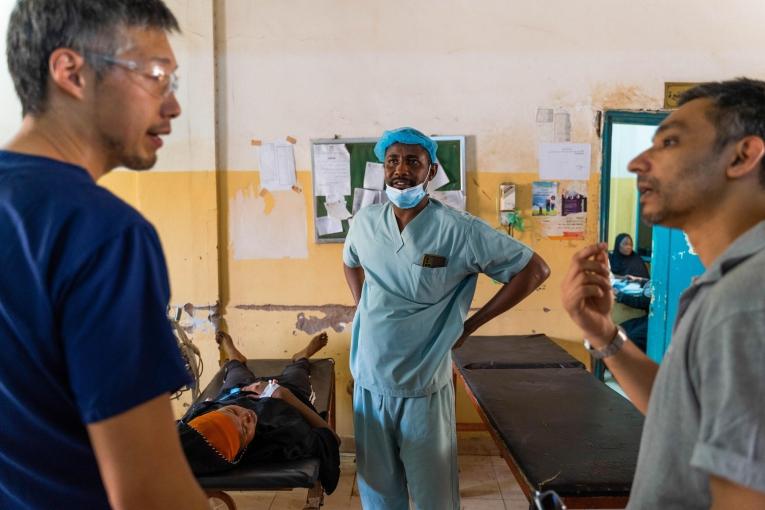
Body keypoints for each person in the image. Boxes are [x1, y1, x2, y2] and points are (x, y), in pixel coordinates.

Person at [0, 1, 208, 508]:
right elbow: (149, 493)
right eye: (156, 76)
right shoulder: (103, 233)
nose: (173, 106)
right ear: (71, 72)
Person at [561, 78, 765, 509]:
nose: (636, 163)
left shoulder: (747, 301)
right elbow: (684, 415)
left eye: (669, 142)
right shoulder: (730, 285)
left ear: (742, 155)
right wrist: (602, 333)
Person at [343, 127, 550, 509]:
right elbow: (350, 262)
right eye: (393, 160)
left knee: (433, 498)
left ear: (431, 169)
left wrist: (470, 326)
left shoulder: (459, 231)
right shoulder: (365, 223)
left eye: (412, 161)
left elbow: (534, 270)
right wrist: (362, 307)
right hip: (369, 382)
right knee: (378, 495)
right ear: (382, 167)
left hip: (422, 388)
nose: (400, 170)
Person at [177, 332, 340, 493]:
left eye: (233, 412)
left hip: (236, 392)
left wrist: (219, 402)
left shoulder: (195, 430)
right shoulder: (282, 439)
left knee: (236, 371)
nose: (246, 415)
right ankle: (302, 357)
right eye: (245, 429)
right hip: (284, 396)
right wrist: (283, 394)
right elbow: (333, 439)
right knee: (297, 373)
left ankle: (234, 356)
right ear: (242, 449)